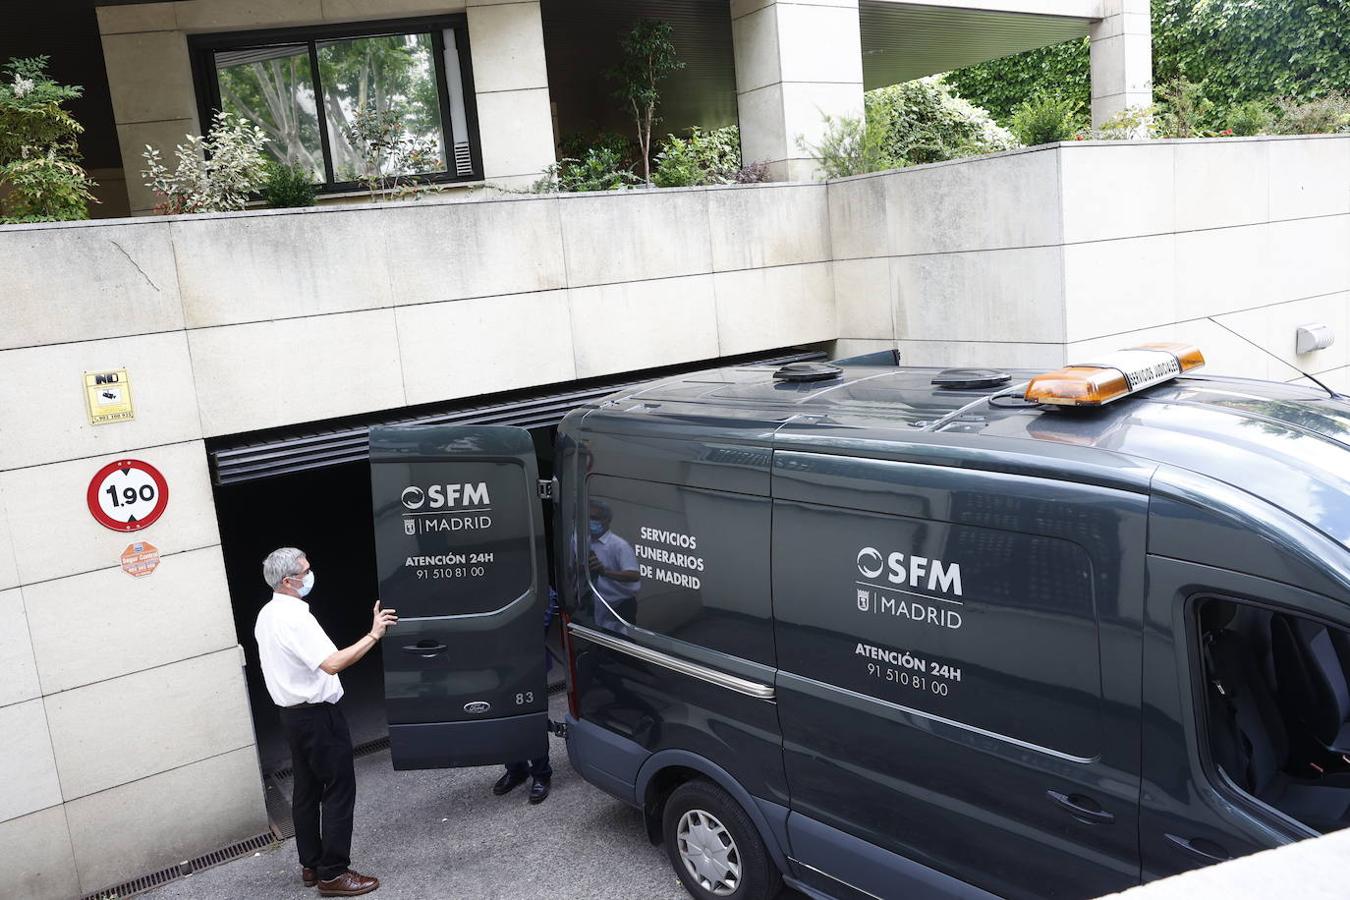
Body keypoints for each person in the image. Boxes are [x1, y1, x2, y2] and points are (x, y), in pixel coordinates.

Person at [254, 547, 397, 898]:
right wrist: (374, 634)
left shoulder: (267, 614)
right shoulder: (296, 618)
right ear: (289, 581)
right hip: (318, 716)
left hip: (292, 716)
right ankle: (333, 873)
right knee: (338, 789)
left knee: (306, 789)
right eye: (305, 571)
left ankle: (311, 864)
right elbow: (331, 663)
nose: (310, 575)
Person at [493, 588, 559, 804]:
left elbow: (549, 597)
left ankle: (541, 774)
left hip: (528, 660)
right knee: (503, 719)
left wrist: (529, 636)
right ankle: (515, 769)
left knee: (530, 718)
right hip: (496, 661)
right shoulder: (487, 569)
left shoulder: (522, 561)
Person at [587, 500, 641, 629]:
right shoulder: (581, 540)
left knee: (622, 641)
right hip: (595, 604)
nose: (590, 521)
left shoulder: (619, 545)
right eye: (588, 517)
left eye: (595, 518)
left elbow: (634, 575)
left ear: (607, 520)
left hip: (620, 605)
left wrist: (605, 572)